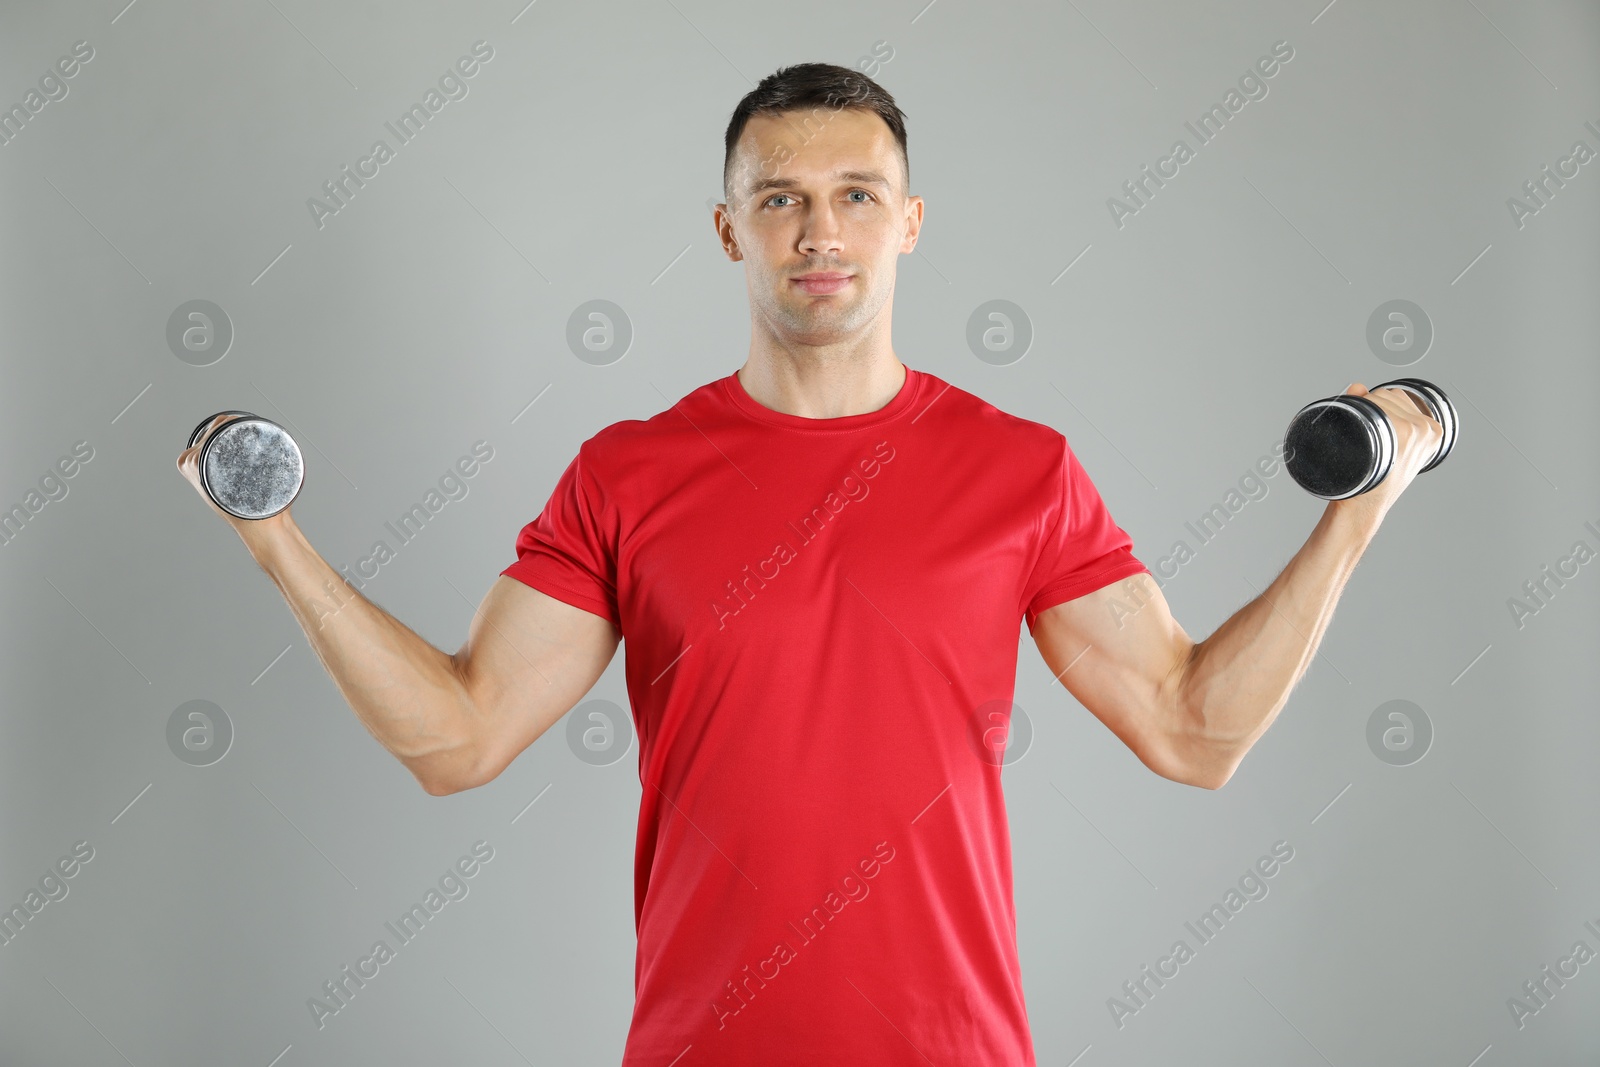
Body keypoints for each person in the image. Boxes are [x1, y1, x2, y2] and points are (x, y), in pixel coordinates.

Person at [178, 62, 1442, 1066]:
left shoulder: (1021, 469)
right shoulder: (628, 471)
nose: (819, 230)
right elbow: (457, 737)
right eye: (780, 198)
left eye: (856, 194)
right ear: (728, 230)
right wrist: (270, 532)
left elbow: (1190, 730)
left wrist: (1355, 513)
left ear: (910, 223)